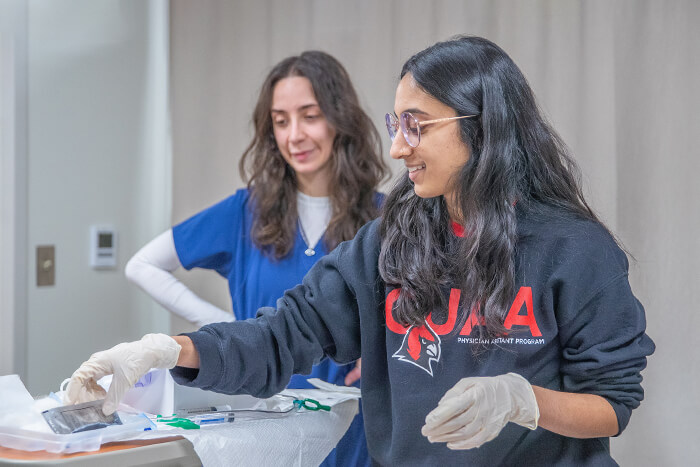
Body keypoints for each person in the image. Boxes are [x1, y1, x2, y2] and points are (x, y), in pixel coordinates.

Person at [66, 36, 655, 465]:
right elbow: (280, 338)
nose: (398, 148)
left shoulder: (575, 251)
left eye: (417, 126)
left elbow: (611, 403)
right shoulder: (388, 242)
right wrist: (166, 349)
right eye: (394, 124)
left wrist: (522, 400)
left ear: (483, 128)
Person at [122, 51, 387, 466]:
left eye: (310, 116)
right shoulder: (244, 212)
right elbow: (141, 265)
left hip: (353, 427)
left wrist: (383, 360)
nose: (294, 135)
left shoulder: (385, 220)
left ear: (341, 120)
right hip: (261, 425)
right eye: (281, 121)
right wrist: (221, 326)